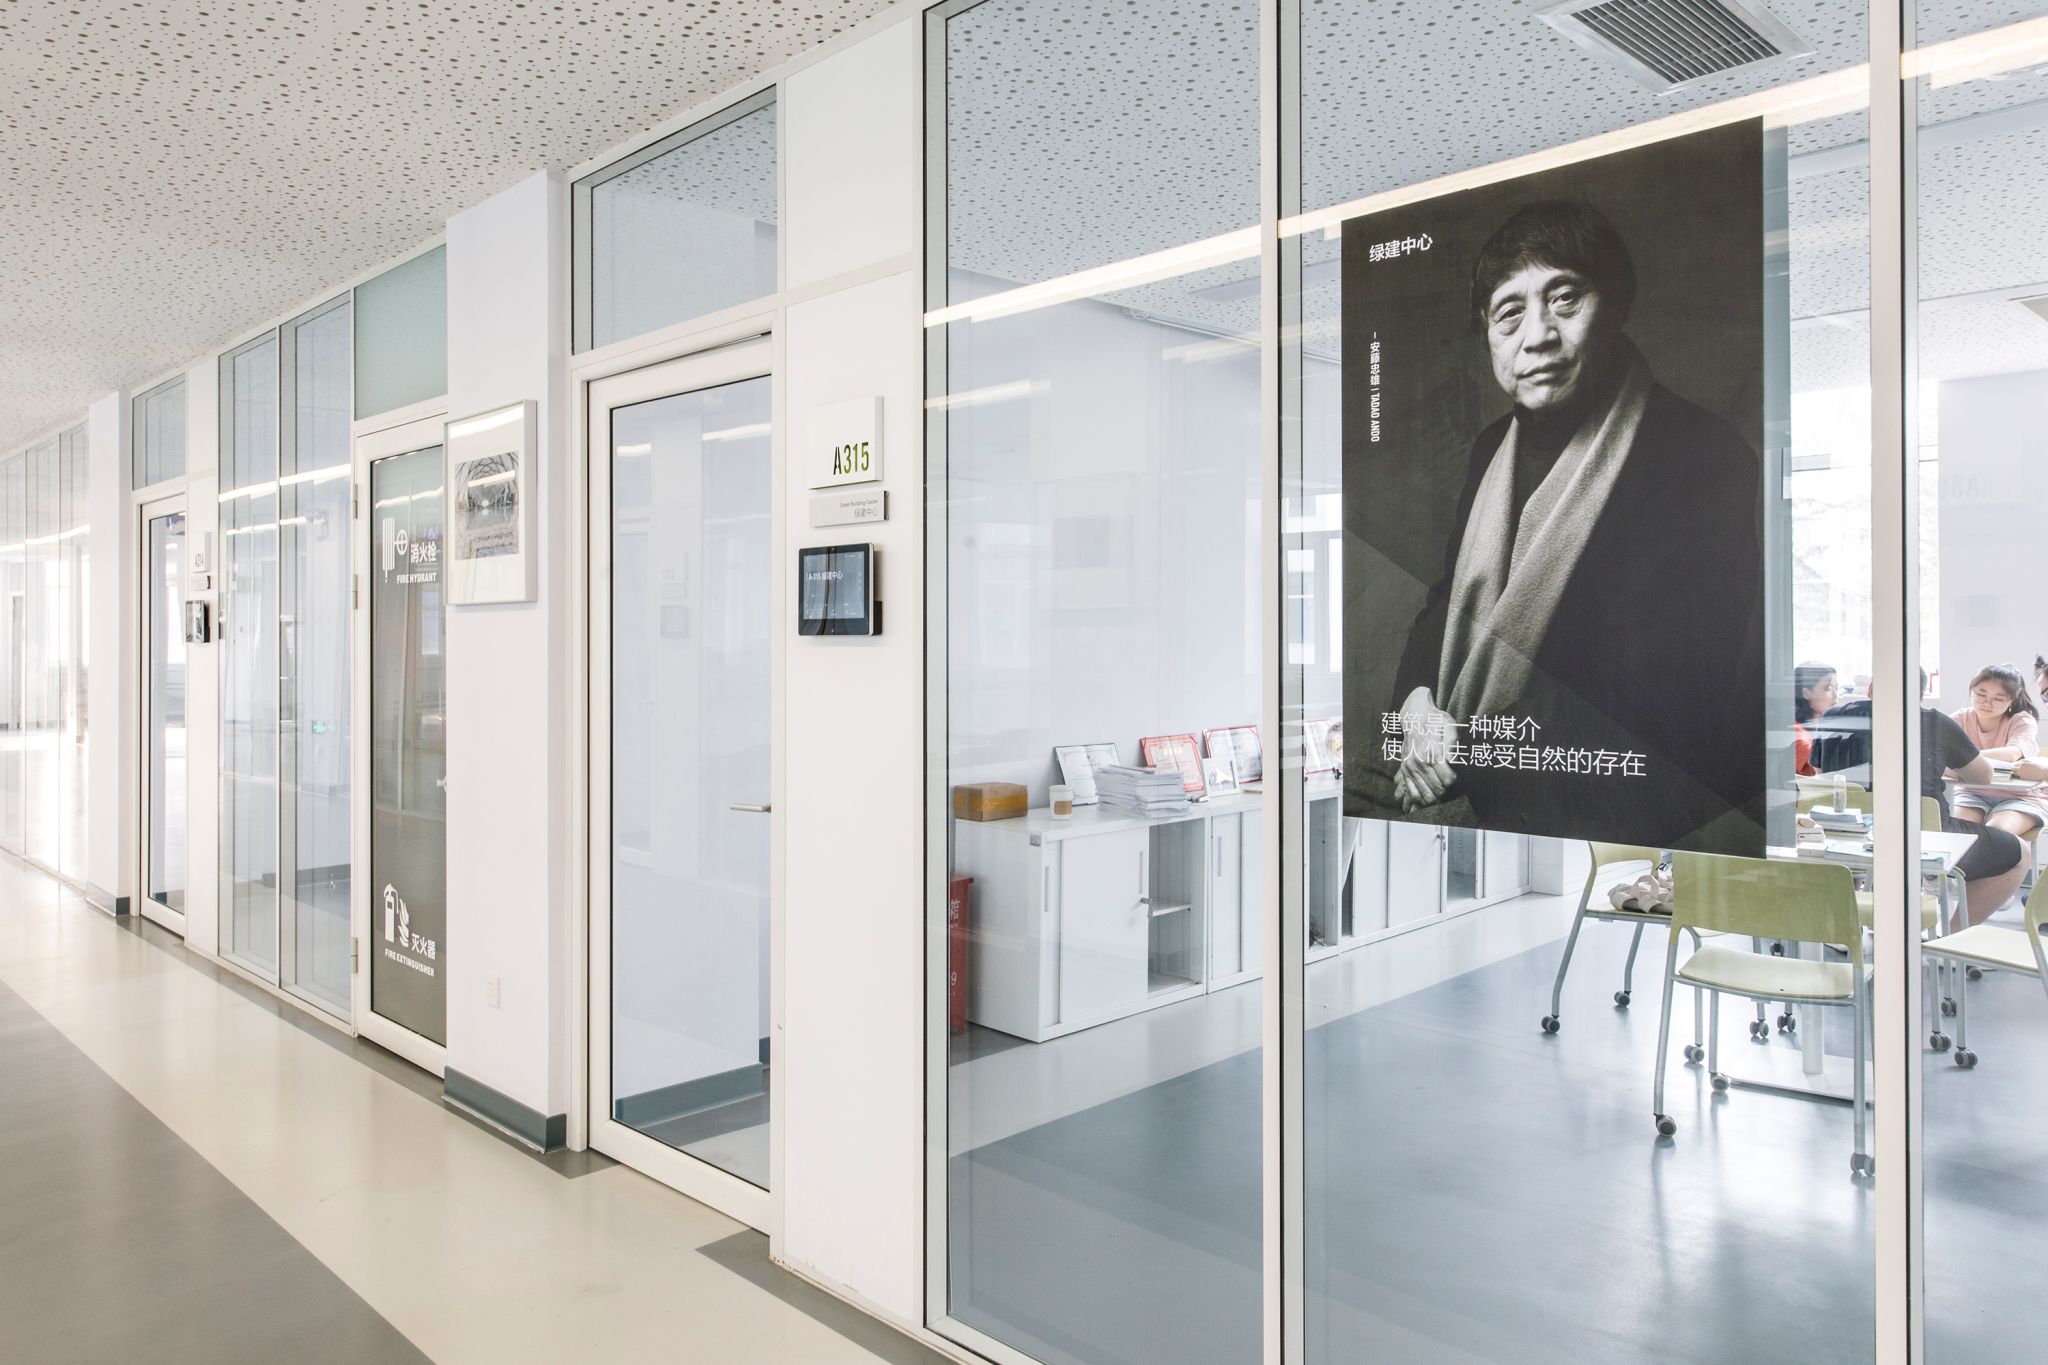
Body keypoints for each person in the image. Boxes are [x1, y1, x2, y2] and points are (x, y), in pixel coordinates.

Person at [1391, 199, 1763, 852]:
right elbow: (1449, 599)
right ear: (1488, 336)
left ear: (1614, 305)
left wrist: (1459, 748)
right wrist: (1418, 705)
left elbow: (1663, 686)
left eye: (1565, 299)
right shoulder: (1491, 447)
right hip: (1492, 788)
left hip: (1623, 815)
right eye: (1509, 313)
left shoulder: (1699, 451)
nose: (1537, 336)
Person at [1810, 672, 2027, 926]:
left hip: (1849, 836)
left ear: (1870, 689)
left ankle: (1848, 926)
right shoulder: (1935, 722)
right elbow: (1983, 775)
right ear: (1920, 696)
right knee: (2020, 853)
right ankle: (1953, 935)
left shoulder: (1833, 716)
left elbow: (1822, 775)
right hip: (1923, 838)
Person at [1949, 662, 2048, 841]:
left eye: (1998, 698)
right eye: (1981, 694)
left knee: (1996, 834)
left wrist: (1965, 758)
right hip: (1971, 792)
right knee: (1956, 833)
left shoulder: (2022, 720)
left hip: (2020, 797)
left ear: (2012, 700)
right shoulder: (1960, 718)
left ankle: (2016, 856)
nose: (1987, 703)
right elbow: (1939, 753)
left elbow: (2013, 753)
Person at [1793, 662, 1838, 778]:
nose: (1835, 695)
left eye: (1836, 688)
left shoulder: (1817, 725)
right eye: (1828, 688)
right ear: (1806, 693)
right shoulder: (1798, 734)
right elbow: (1825, 770)